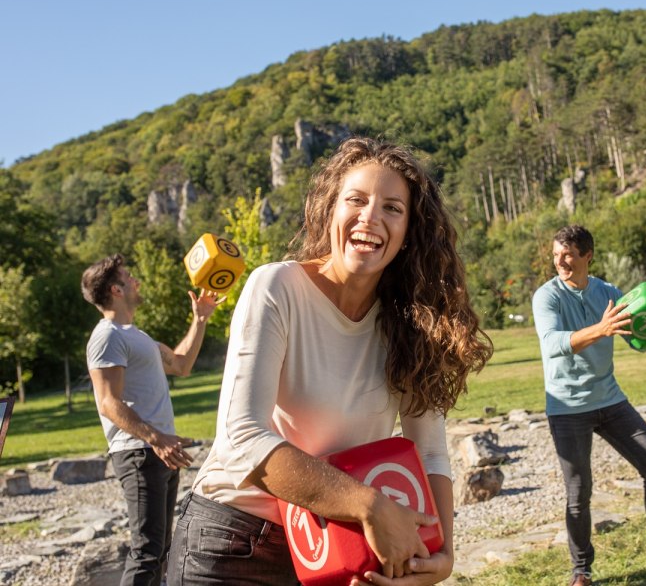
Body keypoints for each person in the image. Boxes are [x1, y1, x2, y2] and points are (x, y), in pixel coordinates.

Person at [167, 137, 492, 586]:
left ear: (409, 231)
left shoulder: (414, 326)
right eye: (356, 200)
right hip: (234, 544)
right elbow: (241, 437)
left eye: (392, 208)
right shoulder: (276, 287)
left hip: (340, 549)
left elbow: (431, 451)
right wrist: (370, 506)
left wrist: (441, 554)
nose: (371, 217)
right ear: (329, 210)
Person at [532, 225, 646, 586]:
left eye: (568, 254)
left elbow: (639, 329)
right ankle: (581, 572)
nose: (560, 261)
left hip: (610, 400)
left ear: (587, 256)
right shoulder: (547, 297)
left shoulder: (607, 292)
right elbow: (552, 343)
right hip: (567, 407)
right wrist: (601, 329)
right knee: (579, 495)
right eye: (556, 253)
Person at [81, 254, 222, 586]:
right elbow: (108, 403)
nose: (136, 281)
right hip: (139, 452)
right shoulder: (107, 337)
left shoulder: (136, 336)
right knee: (146, 552)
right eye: (129, 277)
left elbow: (182, 364)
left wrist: (200, 319)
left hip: (158, 451)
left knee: (161, 551)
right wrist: (157, 439)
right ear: (116, 289)